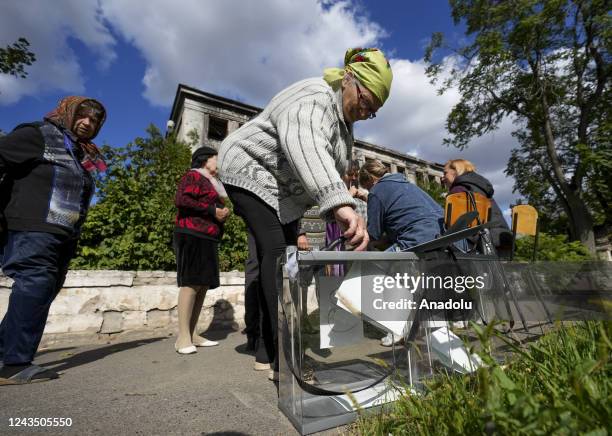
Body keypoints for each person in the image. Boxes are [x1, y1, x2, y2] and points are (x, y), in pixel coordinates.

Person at [218, 47, 393, 381]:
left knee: (286, 261)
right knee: (275, 257)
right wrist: (341, 204)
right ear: (349, 79)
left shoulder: (344, 128)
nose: (366, 111)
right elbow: (306, 144)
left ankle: (266, 352)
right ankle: (286, 357)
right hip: (249, 169)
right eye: (367, 101)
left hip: (281, 195)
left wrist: (338, 215)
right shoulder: (314, 96)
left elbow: (326, 172)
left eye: (374, 111)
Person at [0, 96, 107, 384]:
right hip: (33, 226)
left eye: (95, 120)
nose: (88, 123)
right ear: (67, 112)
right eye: (82, 115)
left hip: (62, 233)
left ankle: (5, 354)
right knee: (35, 283)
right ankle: (14, 364)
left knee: (42, 291)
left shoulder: (80, 153)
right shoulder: (37, 134)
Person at [359, 160, 444, 347]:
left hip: (415, 238)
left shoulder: (376, 192)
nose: (366, 189)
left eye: (365, 186)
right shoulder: (408, 185)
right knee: (412, 278)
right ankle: (433, 323)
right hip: (440, 236)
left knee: (379, 271)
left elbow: (373, 233)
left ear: (370, 180)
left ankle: (396, 329)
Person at [173, 146, 230, 354]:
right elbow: (181, 200)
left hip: (208, 236)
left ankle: (192, 333)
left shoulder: (213, 184)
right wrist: (212, 209)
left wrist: (222, 213)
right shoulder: (193, 176)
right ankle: (182, 337)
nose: (219, 163)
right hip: (191, 233)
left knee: (203, 284)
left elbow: (210, 208)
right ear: (206, 160)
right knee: (191, 283)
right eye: (217, 158)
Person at [441, 159, 511, 255]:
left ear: (456, 171)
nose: (442, 178)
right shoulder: (481, 189)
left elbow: (454, 227)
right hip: (502, 239)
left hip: (481, 246)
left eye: (445, 173)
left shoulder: (458, 191)